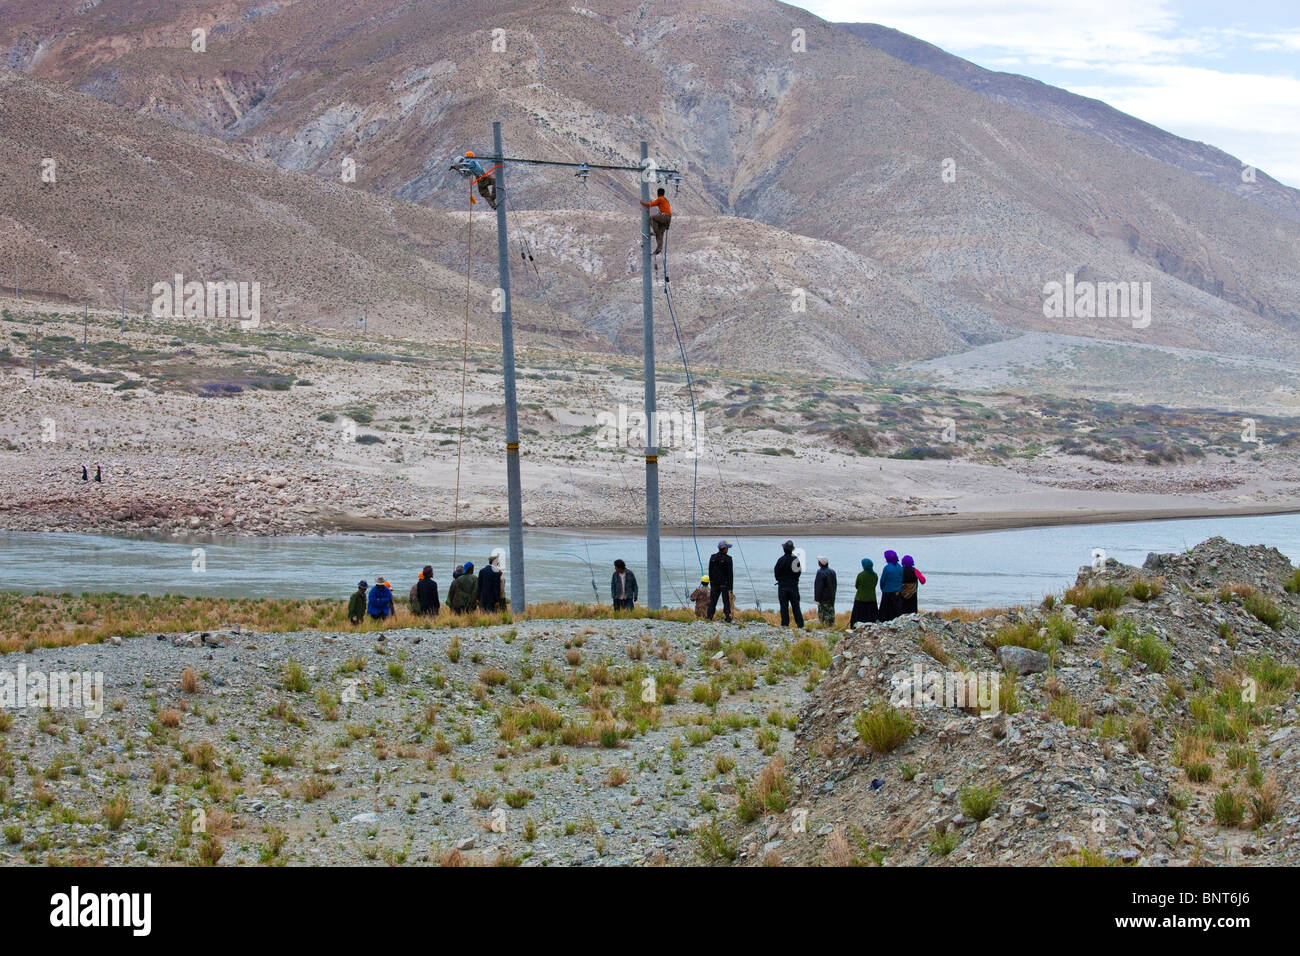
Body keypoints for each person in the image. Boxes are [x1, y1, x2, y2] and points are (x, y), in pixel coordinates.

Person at [773, 539, 804, 628]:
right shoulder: (795, 560)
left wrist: (780, 580)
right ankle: (800, 625)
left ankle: (785, 624)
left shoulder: (780, 560)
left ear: (784, 549)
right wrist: (794, 580)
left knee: (783, 606)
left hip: (782, 586)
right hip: (793, 586)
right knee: (796, 606)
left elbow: (776, 573)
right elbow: (798, 572)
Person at [707, 540, 734, 622]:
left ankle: (709, 617)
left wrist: (711, 582)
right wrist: (731, 588)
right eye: (727, 548)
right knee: (726, 602)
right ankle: (727, 618)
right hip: (724, 584)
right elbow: (730, 574)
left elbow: (710, 571)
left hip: (714, 583)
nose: (728, 549)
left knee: (713, 601)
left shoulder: (712, 557)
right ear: (724, 548)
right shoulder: (728, 559)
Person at [641, 187, 671, 254]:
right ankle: (659, 248)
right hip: (668, 218)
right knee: (660, 234)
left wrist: (642, 203)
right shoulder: (665, 199)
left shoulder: (660, 199)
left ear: (658, 193)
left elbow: (651, 204)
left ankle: (655, 232)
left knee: (651, 218)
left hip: (665, 216)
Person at [851, 559, 879, 625]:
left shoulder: (861, 575)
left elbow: (856, 586)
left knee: (858, 618)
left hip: (860, 599)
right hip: (872, 599)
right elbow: (875, 584)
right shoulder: (875, 575)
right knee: (871, 618)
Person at [878, 551, 904, 621]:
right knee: (896, 611)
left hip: (887, 592)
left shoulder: (887, 568)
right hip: (897, 592)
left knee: (885, 612)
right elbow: (901, 579)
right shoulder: (900, 567)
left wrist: (883, 589)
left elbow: (882, 580)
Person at [813, 556, 837, 627]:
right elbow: (834, 584)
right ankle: (831, 625)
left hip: (823, 598)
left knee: (823, 613)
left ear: (820, 563)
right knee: (831, 612)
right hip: (831, 596)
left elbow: (818, 587)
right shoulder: (832, 571)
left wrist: (817, 599)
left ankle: (825, 626)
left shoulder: (820, 572)